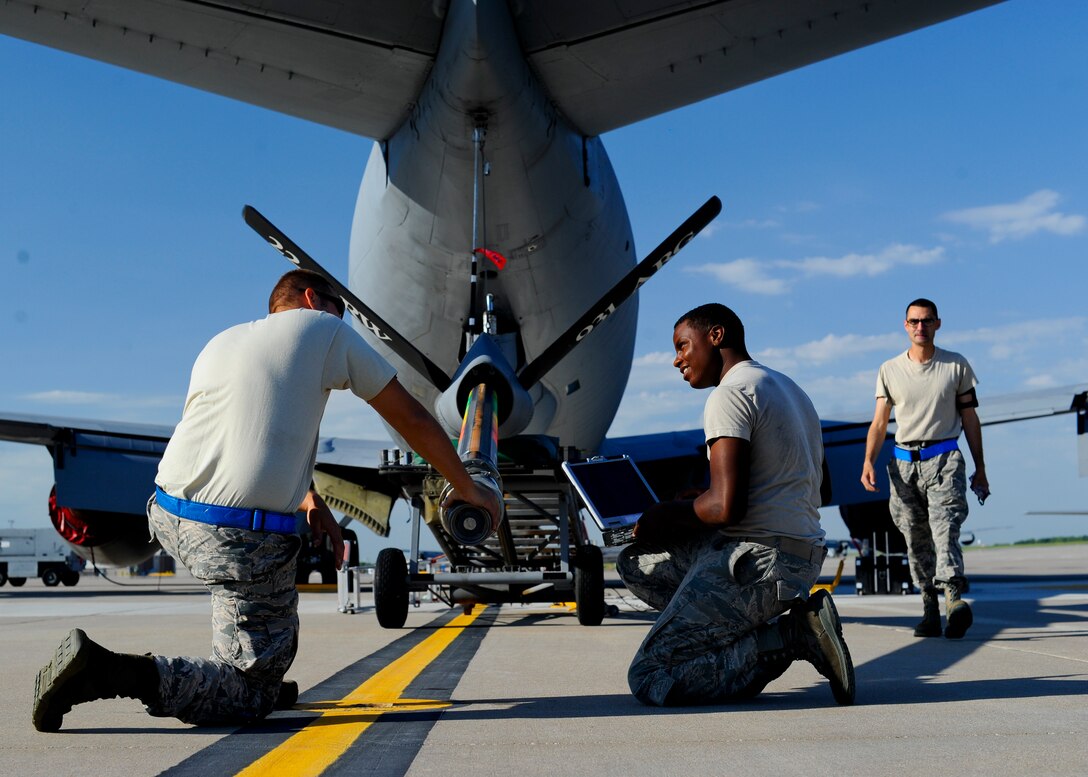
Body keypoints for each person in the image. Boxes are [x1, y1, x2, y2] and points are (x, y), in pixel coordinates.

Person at [32, 269, 502, 732]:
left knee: (274, 622)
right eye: (340, 314)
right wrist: (467, 488)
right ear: (314, 300)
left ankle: (254, 671)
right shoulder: (326, 329)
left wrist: (310, 501)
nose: (344, 326)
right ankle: (107, 672)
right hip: (232, 535)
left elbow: (240, 446)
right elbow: (412, 419)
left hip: (169, 511)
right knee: (247, 695)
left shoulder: (223, 343)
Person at [617, 303, 854, 707]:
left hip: (759, 561)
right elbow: (822, 489)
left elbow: (726, 508)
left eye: (682, 346)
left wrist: (662, 516)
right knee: (636, 562)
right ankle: (744, 630)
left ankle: (791, 637)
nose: (677, 360)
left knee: (649, 675)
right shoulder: (791, 390)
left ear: (716, 336)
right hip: (801, 557)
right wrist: (701, 499)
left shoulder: (729, 395)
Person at [860, 298, 987, 640]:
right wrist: (868, 461)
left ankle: (954, 600)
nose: (921, 327)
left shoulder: (956, 366)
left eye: (927, 321)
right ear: (906, 326)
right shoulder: (889, 369)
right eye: (914, 322)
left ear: (938, 324)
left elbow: (970, 419)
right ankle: (929, 608)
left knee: (945, 530)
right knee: (915, 539)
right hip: (903, 465)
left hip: (945, 458)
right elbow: (879, 423)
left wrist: (981, 468)